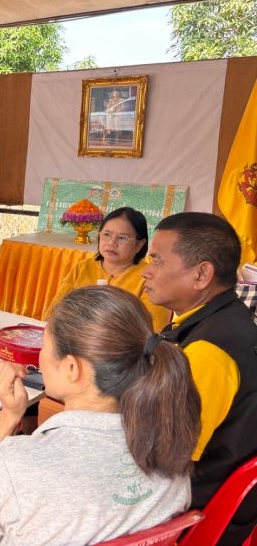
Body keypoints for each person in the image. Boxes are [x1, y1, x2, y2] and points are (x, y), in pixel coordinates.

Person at [0, 285, 201, 546]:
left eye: (44, 344)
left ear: (72, 368)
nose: (39, 356)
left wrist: (7, 421)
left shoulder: (23, 462)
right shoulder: (171, 447)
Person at [142, 212, 257, 544]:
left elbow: (165, 459)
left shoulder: (208, 352)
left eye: (157, 260)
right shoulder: (228, 317)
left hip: (193, 515)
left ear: (202, 274)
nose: (147, 271)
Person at [51, 207, 171, 330]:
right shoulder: (83, 267)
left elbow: (153, 331)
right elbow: (54, 312)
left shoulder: (150, 277)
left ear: (139, 245)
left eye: (122, 238)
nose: (111, 243)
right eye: (106, 235)